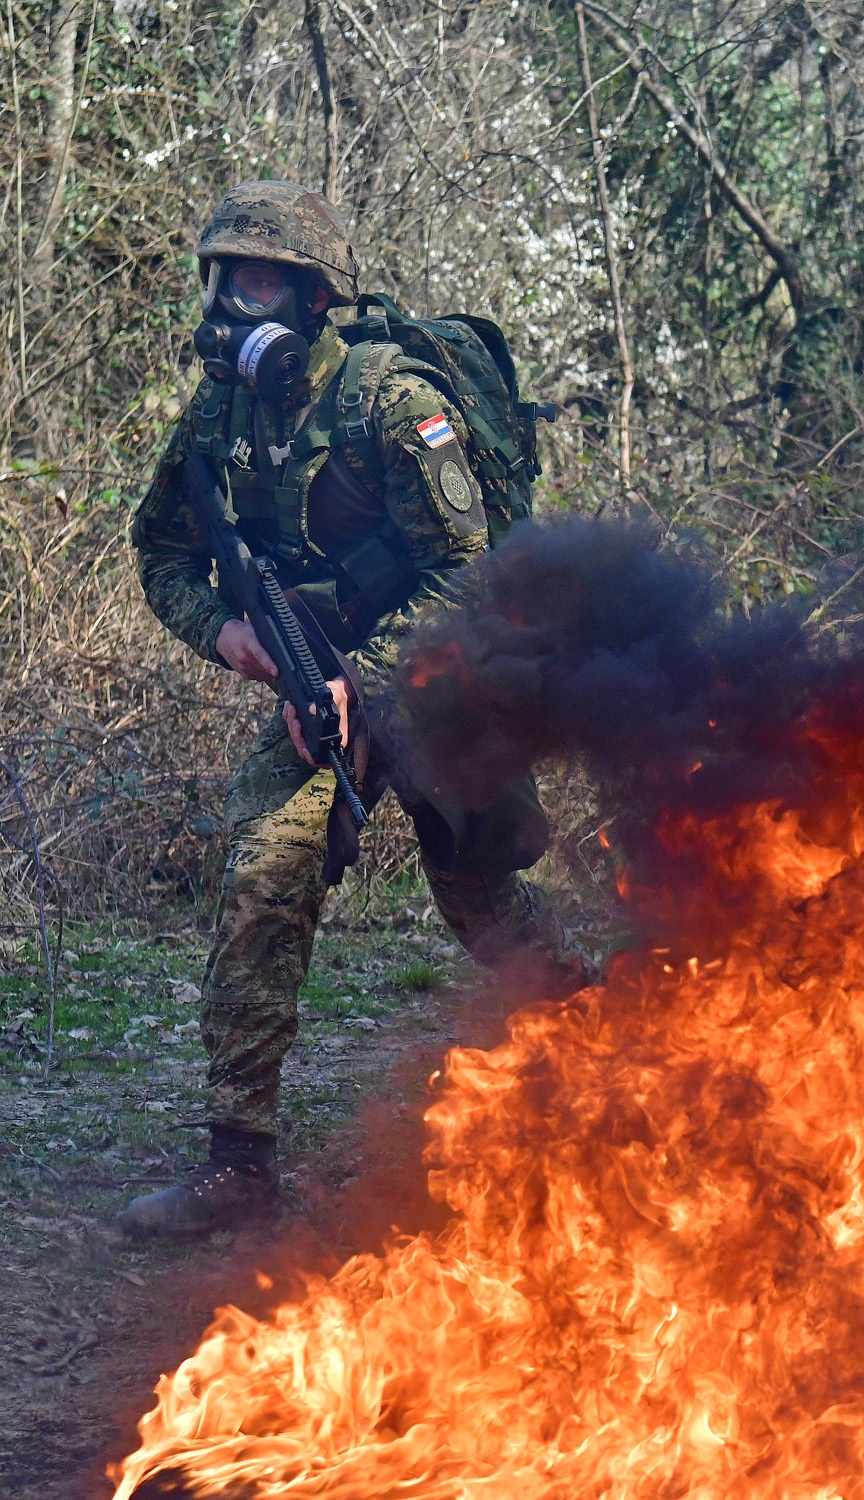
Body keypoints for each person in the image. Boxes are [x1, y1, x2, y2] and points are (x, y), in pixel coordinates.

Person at [118, 180, 588, 1239]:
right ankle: (239, 1165)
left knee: (479, 892)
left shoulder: (390, 400)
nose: (234, 303)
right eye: (224, 277)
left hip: (429, 678)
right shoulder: (215, 411)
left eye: (259, 277)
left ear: (314, 291)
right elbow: (161, 548)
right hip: (307, 679)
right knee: (262, 878)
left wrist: (364, 682)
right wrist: (226, 635)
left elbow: (468, 575)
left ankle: (603, 1026)